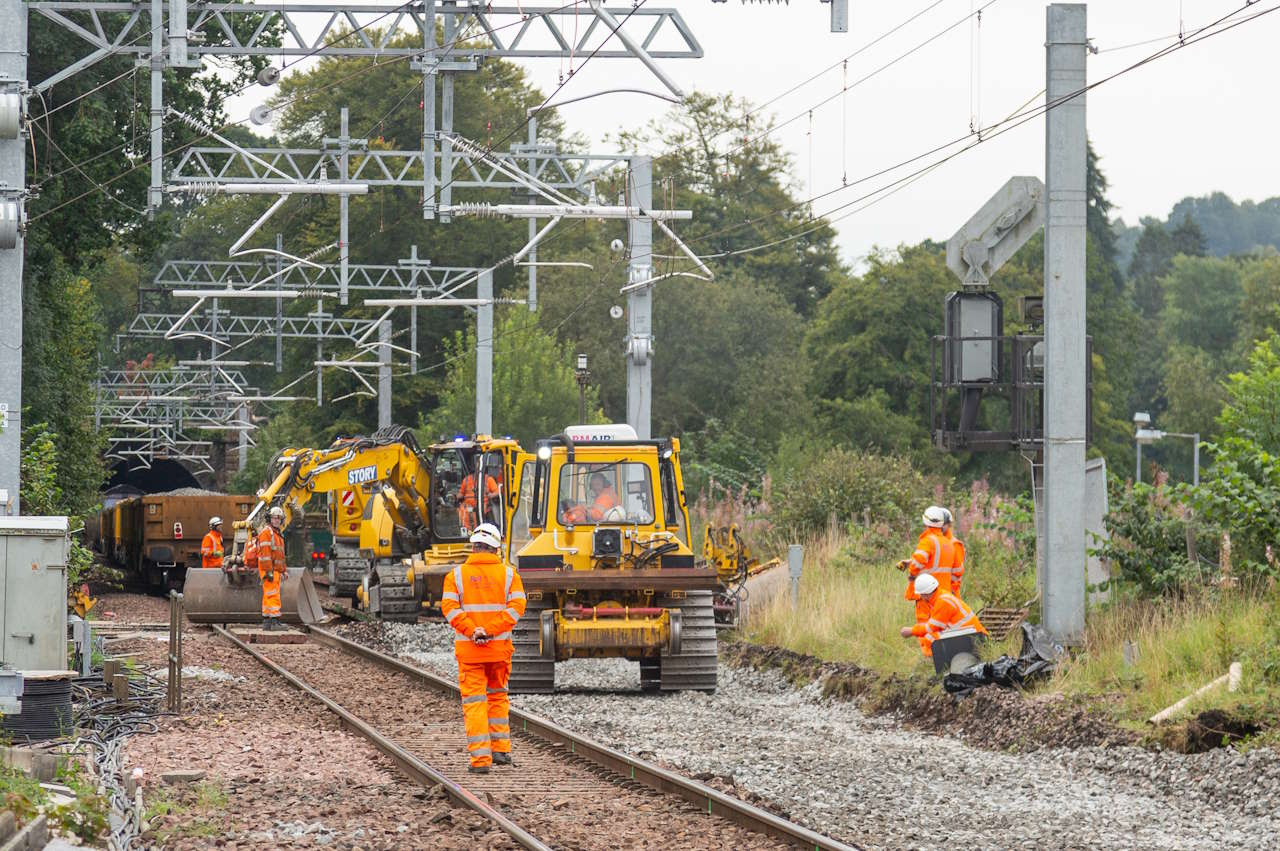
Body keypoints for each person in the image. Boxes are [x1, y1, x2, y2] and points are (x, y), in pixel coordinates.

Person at [439, 523, 526, 774]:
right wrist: (491, 630)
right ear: (497, 548)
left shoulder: (455, 576)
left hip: (470, 652)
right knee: (498, 696)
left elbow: (450, 610)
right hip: (499, 650)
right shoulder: (510, 575)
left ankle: (480, 761)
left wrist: (473, 631)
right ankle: (501, 751)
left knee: (475, 702)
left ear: (474, 546)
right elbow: (516, 609)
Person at [896, 506, 954, 650]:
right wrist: (911, 561)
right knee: (941, 625)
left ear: (925, 522)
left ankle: (930, 655)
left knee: (926, 625)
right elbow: (938, 563)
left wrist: (912, 574)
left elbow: (919, 561)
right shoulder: (948, 543)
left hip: (927, 591)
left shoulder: (928, 540)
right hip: (943, 591)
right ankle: (943, 654)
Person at [899, 574, 987, 657]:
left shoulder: (942, 602)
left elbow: (930, 628)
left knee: (930, 639)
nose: (921, 597)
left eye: (921, 595)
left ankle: (934, 661)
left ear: (925, 594)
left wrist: (911, 631)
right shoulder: (940, 596)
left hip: (973, 638)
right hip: (971, 634)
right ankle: (935, 660)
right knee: (931, 637)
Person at [257, 506, 288, 631]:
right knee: (273, 595)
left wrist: (283, 570)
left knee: (268, 595)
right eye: (275, 517)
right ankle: (275, 622)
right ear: (270, 518)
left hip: (274, 569)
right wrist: (268, 571)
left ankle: (267, 621)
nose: (277, 520)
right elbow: (265, 554)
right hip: (269, 570)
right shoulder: (267, 532)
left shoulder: (276, 534)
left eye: (279, 518)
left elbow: (280, 556)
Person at [458, 466, 501, 533]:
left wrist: (491, 495)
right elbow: (460, 494)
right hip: (469, 510)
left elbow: (497, 492)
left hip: (484, 509)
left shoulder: (488, 479)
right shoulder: (466, 479)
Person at [941, 507, 966, 596]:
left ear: (949, 525)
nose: (940, 526)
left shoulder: (954, 544)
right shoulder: (933, 543)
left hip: (950, 592)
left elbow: (957, 573)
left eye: (943, 523)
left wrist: (951, 591)